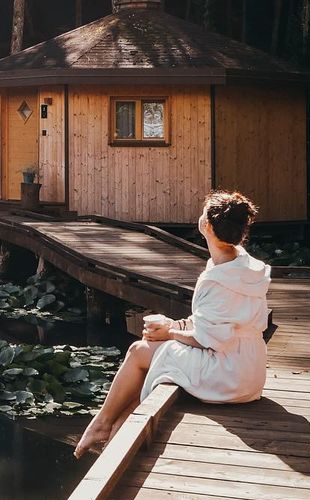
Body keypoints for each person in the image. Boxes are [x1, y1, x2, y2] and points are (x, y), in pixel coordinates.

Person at [74, 190, 271, 458]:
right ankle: (115, 429)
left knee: (138, 351)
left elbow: (208, 339)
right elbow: (218, 324)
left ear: (206, 226)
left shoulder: (218, 279)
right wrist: (174, 326)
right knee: (148, 357)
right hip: (250, 369)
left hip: (227, 376)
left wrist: (168, 333)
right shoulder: (246, 266)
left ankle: (101, 424)